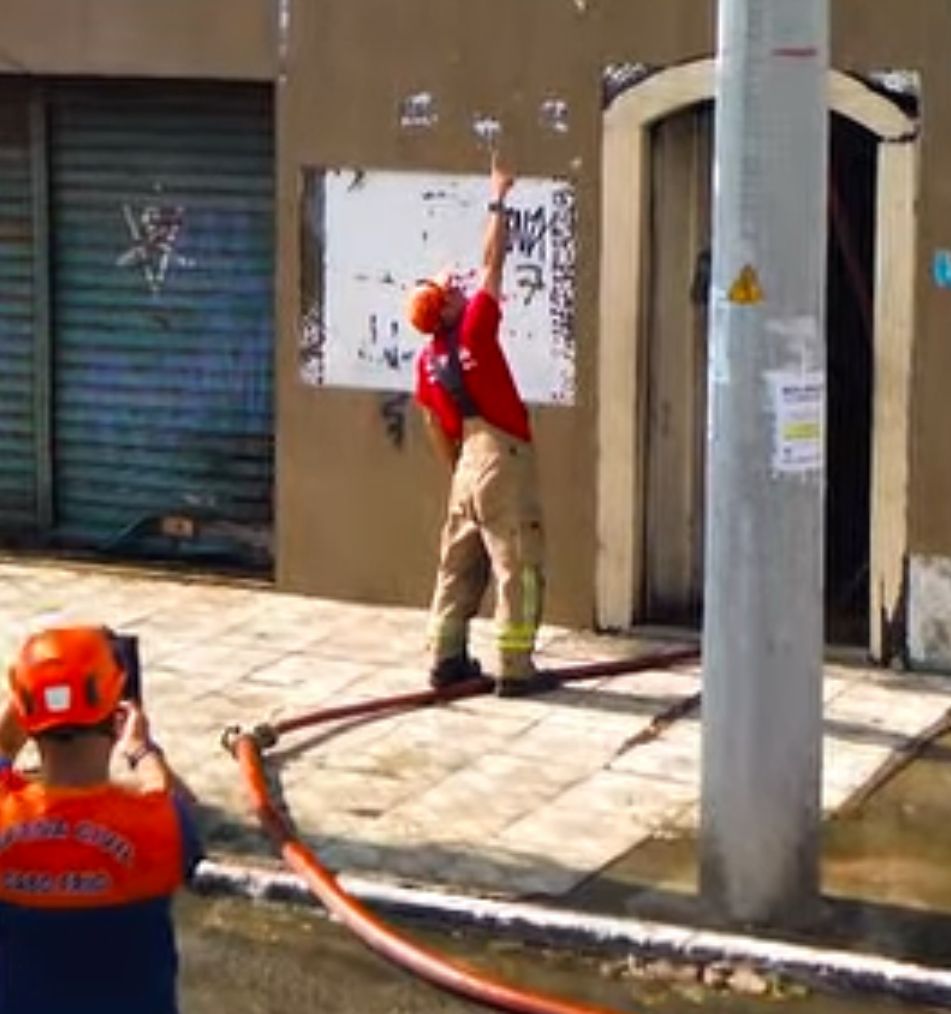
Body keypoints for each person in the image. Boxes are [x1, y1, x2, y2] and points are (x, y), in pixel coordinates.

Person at [406, 155, 554, 698]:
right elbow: (494, 260)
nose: (465, 286)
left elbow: (432, 424)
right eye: (454, 288)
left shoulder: (428, 362)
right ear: (445, 307)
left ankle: (445, 660)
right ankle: (516, 669)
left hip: (465, 460)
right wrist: (498, 197)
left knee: (458, 564)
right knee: (517, 560)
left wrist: (460, 471)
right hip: (500, 455)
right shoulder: (471, 331)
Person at [0, 625, 202, 1014]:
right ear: (116, 720)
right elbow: (182, 807)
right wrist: (143, 751)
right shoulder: (158, 824)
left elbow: (4, 746)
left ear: (26, 719)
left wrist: (22, 717)